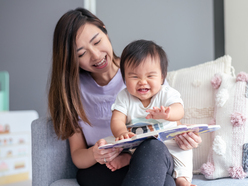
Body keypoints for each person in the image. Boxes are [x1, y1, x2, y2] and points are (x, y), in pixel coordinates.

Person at [48, 7, 202, 186]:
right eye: (81, 53)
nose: (96, 56)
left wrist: (185, 138)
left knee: (152, 150)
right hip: (108, 165)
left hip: (152, 153)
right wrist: (94, 154)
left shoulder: (142, 69)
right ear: (70, 59)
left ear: (105, 31)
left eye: (97, 42)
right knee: (163, 181)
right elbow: (77, 155)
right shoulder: (71, 93)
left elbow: (169, 119)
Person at [108, 39, 194, 186]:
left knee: (183, 153)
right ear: (124, 78)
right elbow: (116, 120)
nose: (142, 81)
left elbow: (179, 110)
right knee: (129, 150)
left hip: (168, 147)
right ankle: (128, 158)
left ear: (162, 76)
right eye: (134, 76)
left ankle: (182, 179)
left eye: (150, 76)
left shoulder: (166, 93)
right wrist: (121, 132)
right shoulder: (124, 97)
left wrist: (168, 113)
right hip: (139, 150)